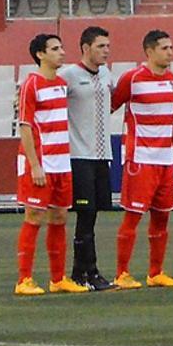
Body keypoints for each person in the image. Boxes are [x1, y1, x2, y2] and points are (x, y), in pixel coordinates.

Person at [14, 34, 87, 295]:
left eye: (61, 47)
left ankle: (58, 279)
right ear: (40, 54)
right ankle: (24, 280)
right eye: (55, 49)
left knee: (59, 216)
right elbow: (25, 127)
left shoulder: (60, 84)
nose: (62, 52)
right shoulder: (31, 84)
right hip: (40, 163)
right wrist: (35, 165)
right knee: (34, 215)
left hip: (61, 163)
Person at [110, 30, 173, 289]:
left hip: (165, 160)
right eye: (164, 48)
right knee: (133, 216)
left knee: (162, 216)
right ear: (149, 51)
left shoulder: (172, 79)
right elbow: (109, 105)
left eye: (171, 47)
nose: (170, 52)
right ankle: (122, 273)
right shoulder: (133, 78)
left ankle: (156, 272)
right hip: (140, 159)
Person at [59, 25, 115, 291]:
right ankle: (87, 272)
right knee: (85, 213)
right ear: (85, 48)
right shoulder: (68, 75)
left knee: (93, 216)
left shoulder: (106, 74)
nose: (106, 51)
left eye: (107, 46)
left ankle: (80, 272)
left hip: (101, 156)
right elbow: (38, 92)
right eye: (101, 46)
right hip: (78, 155)